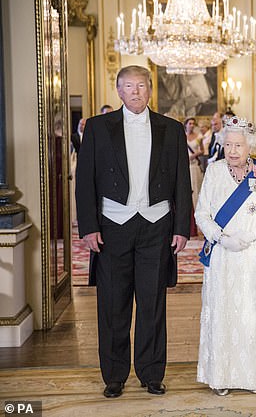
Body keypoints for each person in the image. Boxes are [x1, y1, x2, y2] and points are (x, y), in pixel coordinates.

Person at [75, 65, 192, 398]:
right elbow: (85, 182)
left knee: (153, 304)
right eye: (128, 86)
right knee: (113, 304)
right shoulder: (97, 128)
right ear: (118, 90)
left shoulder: (172, 129)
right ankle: (114, 376)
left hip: (157, 225)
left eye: (141, 86)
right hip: (113, 226)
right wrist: (89, 227)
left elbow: (182, 183)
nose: (135, 92)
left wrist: (181, 226)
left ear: (150, 89)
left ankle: (152, 373)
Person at [195, 116, 256, 396]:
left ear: (250, 147)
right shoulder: (214, 171)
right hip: (223, 255)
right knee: (223, 316)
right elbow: (202, 214)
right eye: (228, 144)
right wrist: (221, 238)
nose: (232, 150)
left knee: (252, 315)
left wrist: (252, 235)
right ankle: (221, 377)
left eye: (239, 145)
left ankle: (253, 375)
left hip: (253, 255)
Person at [184, 117, 204, 208]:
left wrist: (194, 155)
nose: (191, 125)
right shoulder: (183, 136)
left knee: (196, 187)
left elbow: (202, 150)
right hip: (186, 165)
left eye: (193, 124)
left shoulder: (199, 137)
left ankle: (197, 208)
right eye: (190, 123)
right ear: (186, 125)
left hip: (195, 164)